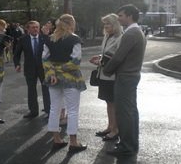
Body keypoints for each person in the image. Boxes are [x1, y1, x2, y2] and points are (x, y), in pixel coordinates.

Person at [103, 4, 146, 157]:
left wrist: (105, 70)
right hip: (131, 76)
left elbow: (119, 57)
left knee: (124, 112)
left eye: (120, 15)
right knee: (131, 112)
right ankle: (132, 143)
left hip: (126, 77)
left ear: (129, 16)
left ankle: (126, 145)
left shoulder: (130, 33)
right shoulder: (137, 31)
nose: (118, 18)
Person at [42, 14, 87, 153]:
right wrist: (60, 71)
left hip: (53, 78)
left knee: (54, 109)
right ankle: (73, 142)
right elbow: (75, 62)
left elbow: (44, 59)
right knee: (72, 111)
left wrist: (53, 72)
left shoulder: (50, 39)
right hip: (71, 79)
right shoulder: (75, 39)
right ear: (71, 24)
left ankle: (56, 140)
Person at [89, 13, 123, 141]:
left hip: (112, 76)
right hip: (103, 74)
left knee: (113, 103)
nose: (106, 26)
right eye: (105, 24)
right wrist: (99, 57)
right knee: (108, 102)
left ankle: (115, 130)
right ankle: (110, 126)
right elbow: (107, 53)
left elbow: (119, 58)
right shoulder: (107, 36)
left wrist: (101, 61)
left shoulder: (120, 37)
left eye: (108, 23)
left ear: (115, 24)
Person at [13, 20, 50, 118]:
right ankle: (33, 111)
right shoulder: (23, 39)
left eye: (37, 27)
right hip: (29, 68)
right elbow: (16, 54)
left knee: (46, 88)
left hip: (44, 68)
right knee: (31, 90)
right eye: (33, 27)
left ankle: (48, 110)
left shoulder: (44, 38)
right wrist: (17, 64)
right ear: (28, 29)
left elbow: (52, 49)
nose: (35, 29)